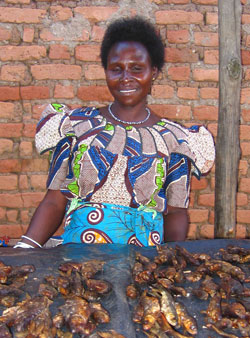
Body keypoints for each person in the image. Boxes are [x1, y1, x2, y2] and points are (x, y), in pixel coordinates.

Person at [14, 16, 215, 249]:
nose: (126, 78)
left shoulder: (174, 140)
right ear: (106, 71)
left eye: (137, 69)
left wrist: (165, 262)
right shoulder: (77, 127)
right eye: (116, 69)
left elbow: (176, 213)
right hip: (77, 263)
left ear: (155, 72)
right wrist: (26, 247)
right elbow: (55, 201)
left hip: (141, 267)